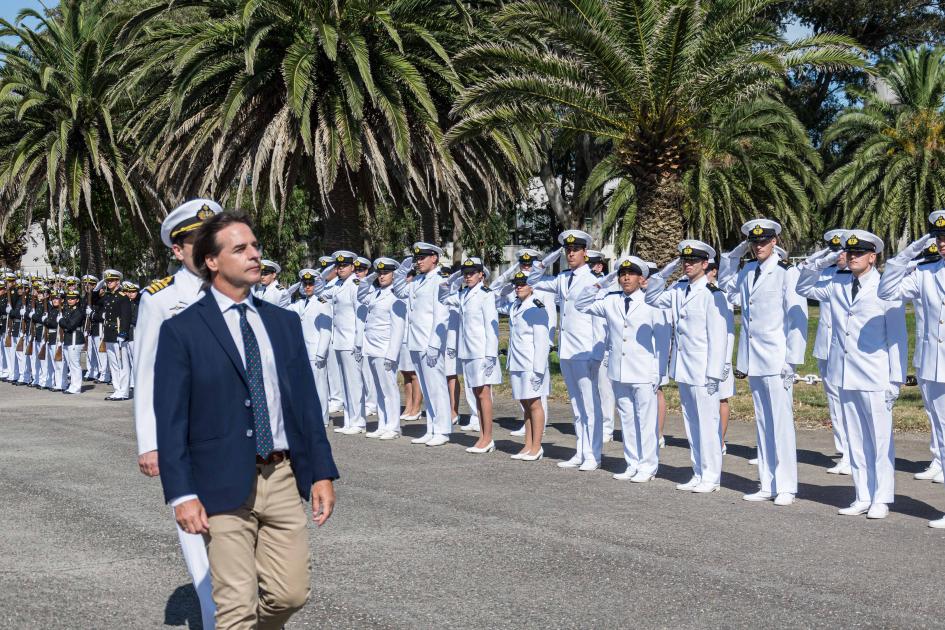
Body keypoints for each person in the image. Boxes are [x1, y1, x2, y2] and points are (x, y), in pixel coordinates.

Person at [154, 211, 338, 629]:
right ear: (213, 262)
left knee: (290, 593)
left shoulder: (283, 323)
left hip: (282, 476)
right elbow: (170, 420)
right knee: (236, 606)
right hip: (219, 483)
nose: (255, 254)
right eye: (241, 248)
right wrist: (181, 494)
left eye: (255, 245)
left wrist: (322, 473)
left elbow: (306, 406)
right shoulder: (183, 330)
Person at [133, 198, 223, 629]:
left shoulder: (237, 290)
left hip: (234, 433)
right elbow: (147, 375)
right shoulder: (160, 300)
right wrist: (149, 443)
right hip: (184, 437)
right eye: (196, 241)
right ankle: (213, 619)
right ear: (177, 250)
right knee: (198, 540)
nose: (206, 247)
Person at [798, 230, 906, 519]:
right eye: (850, 252)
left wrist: (896, 379)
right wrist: (822, 260)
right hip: (844, 374)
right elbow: (803, 287)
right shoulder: (838, 284)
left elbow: (897, 337)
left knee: (880, 439)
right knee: (855, 439)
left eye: (859, 253)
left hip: (875, 375)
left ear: (873, 257)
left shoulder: (886, 289)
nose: (852, 256)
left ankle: (881, 498)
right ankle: (862, 495)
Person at [719, 219, 808, 505]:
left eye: (763, 241)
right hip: (754, 358)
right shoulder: (747, 270)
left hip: (777, 358)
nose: (758, 246)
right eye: (753, 242)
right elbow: (725, 287)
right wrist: (733, 256)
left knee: (781, 424)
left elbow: (797, 318)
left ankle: (786, 486)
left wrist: (792, 361)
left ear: (775, 242)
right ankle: (767, 483)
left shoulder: (787, 273)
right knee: (763, 423)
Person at [877, 211, 945, 527]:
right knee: (943, 435)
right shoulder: (926, 273)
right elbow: (887, 290)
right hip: (933, 364)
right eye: (939, 238)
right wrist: (908, 254)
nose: (942, 244)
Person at [646, 241, 730, 493]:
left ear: (706, 264)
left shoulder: (713, 294)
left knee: (708, 422)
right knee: (692, 423)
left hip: (704, 369)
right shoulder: (679, 289)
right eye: (685, 260)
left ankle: (712, 476)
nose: (688, 264)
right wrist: (666, 271)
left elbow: (719, 336)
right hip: (683, 367)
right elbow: (651, 296)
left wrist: (715, 373)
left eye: (694, 260)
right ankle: (698, 471)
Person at [577, 257, 661, 481]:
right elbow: (581, 304)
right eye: (622, 274)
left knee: (645, 419)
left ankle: (648, 465)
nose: (625, 278)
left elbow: (662, 340)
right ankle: (632, 462)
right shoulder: (611, 300)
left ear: (640, 278)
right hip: (619, 369)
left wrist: (658, 371)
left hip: (644, 370)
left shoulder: (651, 302)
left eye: (631, 274)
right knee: (626, 418)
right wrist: (600, 283)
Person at [528, 230, 603, 471]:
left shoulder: (593, 279)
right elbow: (532, 280)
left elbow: (598, 319)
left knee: (590, 405)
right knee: (576, 403)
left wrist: (597, 352)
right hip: (568, 349)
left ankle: (594, 453)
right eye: (567, 250)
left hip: (586, 349)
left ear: (585, 253)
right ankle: (581, 451)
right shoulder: (562, 278)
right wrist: (546, 260)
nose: (570, 254)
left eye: (575, 250)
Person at [391, 242, 452, 447]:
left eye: (422, 258)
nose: (418, 261)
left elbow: (442, 314)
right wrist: (402, 268)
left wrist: (435, 344)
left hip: (429, 342)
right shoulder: (417, 280)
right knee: (427, 388)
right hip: (416, 342)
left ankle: (442, 429)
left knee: (437, 387)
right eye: (416, 258)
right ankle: (432, 427)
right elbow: (399, 290)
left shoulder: (440, 280)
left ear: (434, 258)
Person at [439, 257, 502, 453]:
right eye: (465, 273)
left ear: (481, 274)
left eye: (471, 273)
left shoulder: (486, 295)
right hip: (467, 351)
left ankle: (488, 438)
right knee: (476, 394)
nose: (468, 276)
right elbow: (442, 298)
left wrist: (491, 355)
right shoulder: (462, 294)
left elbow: (492, 327)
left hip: (482, 352)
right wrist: (453, 280)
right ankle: (482, 436)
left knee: (483, 394)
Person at [501, 249, 556, 439]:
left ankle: (540, 427)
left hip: (535, 348)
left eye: (530, 264)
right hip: (519, 354)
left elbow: (551, 318)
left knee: (536, 394)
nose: (526, 267)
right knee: (524, 395)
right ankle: (528, 428)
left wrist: (548, 344)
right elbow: (498, 293)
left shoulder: (543, 286)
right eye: (523, 264)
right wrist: (511, 277)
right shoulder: (517, 290)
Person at [811, 229, 852, 475]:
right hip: (824, 347)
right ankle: (843, 451)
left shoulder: (853, 278)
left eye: (842, 251)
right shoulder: (825, 274)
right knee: (834, 403)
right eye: (834, 250)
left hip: (845, 349)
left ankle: (853, 452)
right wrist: (823, 258)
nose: (839, 256)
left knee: (848, 402)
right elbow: (802, 281)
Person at [497, 271, 550, 460]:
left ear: (532, 286)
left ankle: (537, 447)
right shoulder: (515, 305)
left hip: (531, 364)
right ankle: (528, 444)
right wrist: (506, 284)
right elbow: (496, 298)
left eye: (523, 284)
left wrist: (539, 370)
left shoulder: (537, 308)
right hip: (517, 362)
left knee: (534, 404)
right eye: (516, 284)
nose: (518, 287)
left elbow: (542, 341)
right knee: (525, 405)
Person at [315, 251, 366, 435]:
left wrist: (358, 342)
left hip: (351, 340)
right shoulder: (337, 284)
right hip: (339, 340)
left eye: (344, 265)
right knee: (345, 383)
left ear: (353, 267)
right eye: (338, 266)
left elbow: (360, 315)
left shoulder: (356, 285)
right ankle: (349, 420)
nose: (340, 268)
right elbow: (319, 290)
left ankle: (358, 421)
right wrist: (328, 271)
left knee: (354, 383)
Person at [356, 257, 407, 439]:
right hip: (372, 348)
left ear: (394, 274)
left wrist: (391, 354)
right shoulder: (376, 293)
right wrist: (369, 278)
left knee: (389, 389)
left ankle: (393, 427)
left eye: (386, 273)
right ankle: (383, 423)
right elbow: (360, 296)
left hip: (385, 349)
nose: (382, 276)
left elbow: (398, 327)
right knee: (378, 389)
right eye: (380, 273)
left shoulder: (396, 296)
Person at [289, 268, 332, 427]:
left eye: (311, 284)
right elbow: (283, 306)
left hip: (316, 352)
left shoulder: (322, 302)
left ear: (317, 285)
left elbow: (326, 329)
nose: (307, 287)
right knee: (306, 386)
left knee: (319, 386)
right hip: (303, 352)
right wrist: (288, 292)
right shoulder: (299, 303)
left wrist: (322, 352)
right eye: (305, 284)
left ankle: (322, 418)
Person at [705, 260, 735, 453]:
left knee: (722, 398)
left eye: (708, 270)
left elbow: (729, 330)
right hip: (703, 356)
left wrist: (726, 361)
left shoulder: (722, 294)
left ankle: (720, 440)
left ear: (714, 271)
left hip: (722, 355)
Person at [587, 250, 616, 443]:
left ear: (599, 266)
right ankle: (591, 423)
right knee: (588, 389)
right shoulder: (580, 286)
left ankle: (607, 427)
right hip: (583, 345)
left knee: (604, 389)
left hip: (602, 344)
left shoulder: (609, 287)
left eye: (592, 265)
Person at [101, 269, 133, 401]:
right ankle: (117, 389)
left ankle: (124, 391)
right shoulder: (108, 296)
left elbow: (126, 317)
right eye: (107, 281)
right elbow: (96, 296)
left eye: (112, 280)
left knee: (122, 364)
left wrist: (123, 333)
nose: (109, 283)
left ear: (118, 281)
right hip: (109, 333)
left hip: (119, 333)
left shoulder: (123, 297)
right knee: (113, 364)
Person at [354, 256, 378, 417]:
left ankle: (372, 403)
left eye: (361, 270)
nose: (358, 273)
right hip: (356, 334)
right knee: (361, 373)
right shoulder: (354, 286)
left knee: (369, 374)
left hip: (366, 334)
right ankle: (366, 401)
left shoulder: (370, 290)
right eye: (356, 270)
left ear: (367, 271)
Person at [60, 288, 85, 395]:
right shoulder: (68, 310)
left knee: (75, 364)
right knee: (71, 364)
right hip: (68, 339)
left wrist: (61, 321)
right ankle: (73, 385)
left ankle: (76, 387)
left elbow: (70, 325)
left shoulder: (78, 311)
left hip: (75, 339)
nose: (70, 300)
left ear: (77, 300)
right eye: (68, 299)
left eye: (72, 299)